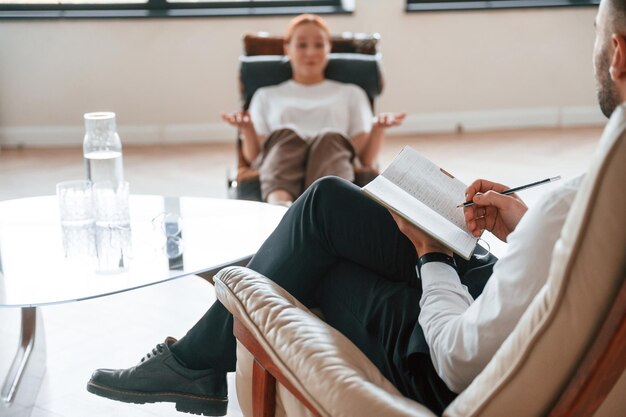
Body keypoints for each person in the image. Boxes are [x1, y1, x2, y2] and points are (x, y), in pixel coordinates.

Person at [86, 1, 625, 416]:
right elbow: (567, 261)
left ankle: (197, 359)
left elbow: (460, 358)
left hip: (438, 360)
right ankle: (201, 354)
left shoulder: (579, 196)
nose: (594, 49)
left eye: (595, 36)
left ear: (618, 54)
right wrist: (524, 225)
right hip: (489, 290)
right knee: (326, 208)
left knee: (318, 237)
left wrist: (432, 254)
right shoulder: (600, 184)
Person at [221, 14, 405, 205]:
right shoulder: (265, 95)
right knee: (286, 136)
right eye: (302, 45)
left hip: (333, 160)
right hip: (279, 164)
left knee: (331, 138)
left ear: (329, 48)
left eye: (319, 45)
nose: (311, 52)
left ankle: (326, 210)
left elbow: (365, 160)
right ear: (287, 49)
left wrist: (378, 129)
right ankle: (279, 209)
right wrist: (247, 129)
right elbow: (254, 157)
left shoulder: (351, 93)